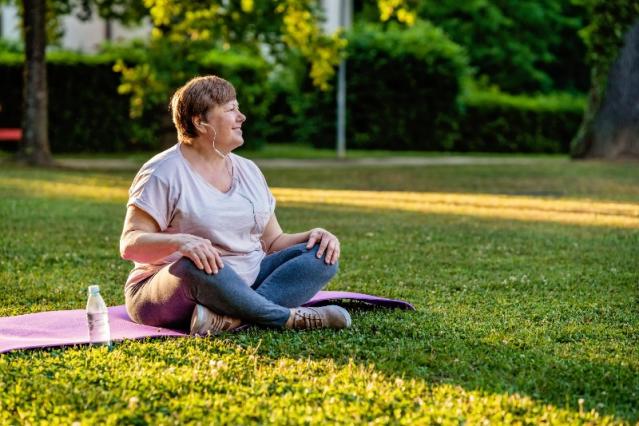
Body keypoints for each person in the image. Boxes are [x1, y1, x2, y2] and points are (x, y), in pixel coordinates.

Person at [119, 75, 351, 336]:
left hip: (247, 280)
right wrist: (181, 243)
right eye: (231, 109)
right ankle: (286, 318)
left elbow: (272, 242)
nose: (242, 117)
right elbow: (130, 245)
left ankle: (231, 319)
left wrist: (311, 236)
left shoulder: (248, 170)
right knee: (193, 264)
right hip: (171, 288)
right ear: (200, 121)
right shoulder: (162, 172)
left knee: (321, 255)